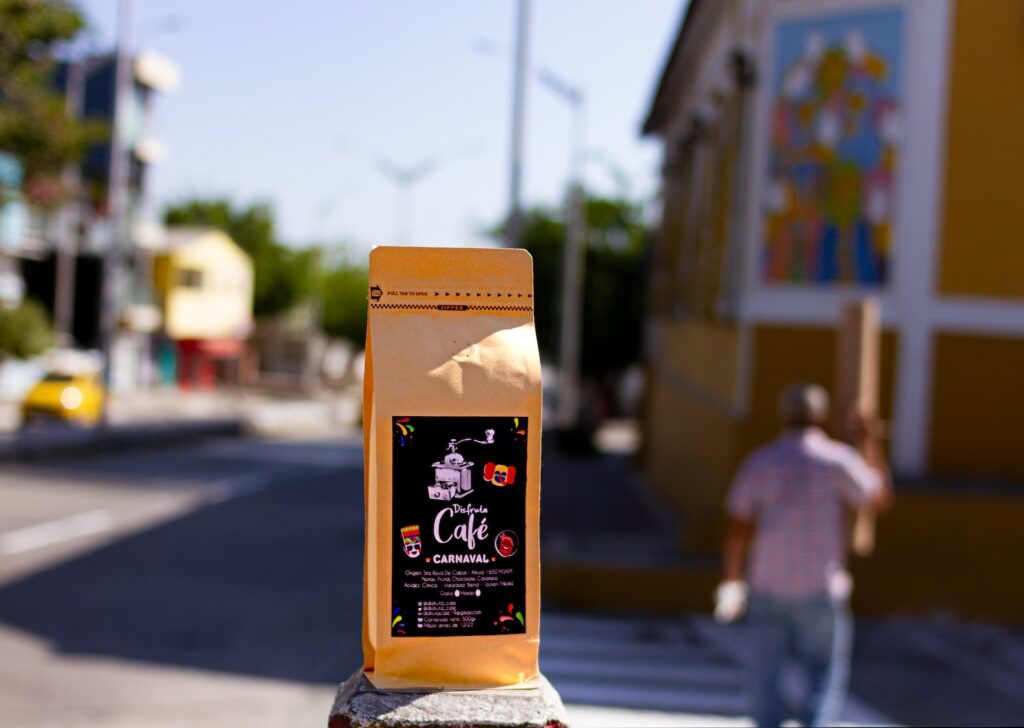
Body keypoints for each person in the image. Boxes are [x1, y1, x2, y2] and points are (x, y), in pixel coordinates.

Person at [715, 382, 892, 728]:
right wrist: (869, 441)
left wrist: (731, 581)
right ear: (821, 417)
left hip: (768, 589)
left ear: (783, 416)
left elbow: (738, 528)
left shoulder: (761, 462)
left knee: (764, 682)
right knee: (823, 680)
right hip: (819, 591)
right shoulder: (838, 461)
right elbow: (879, 497)